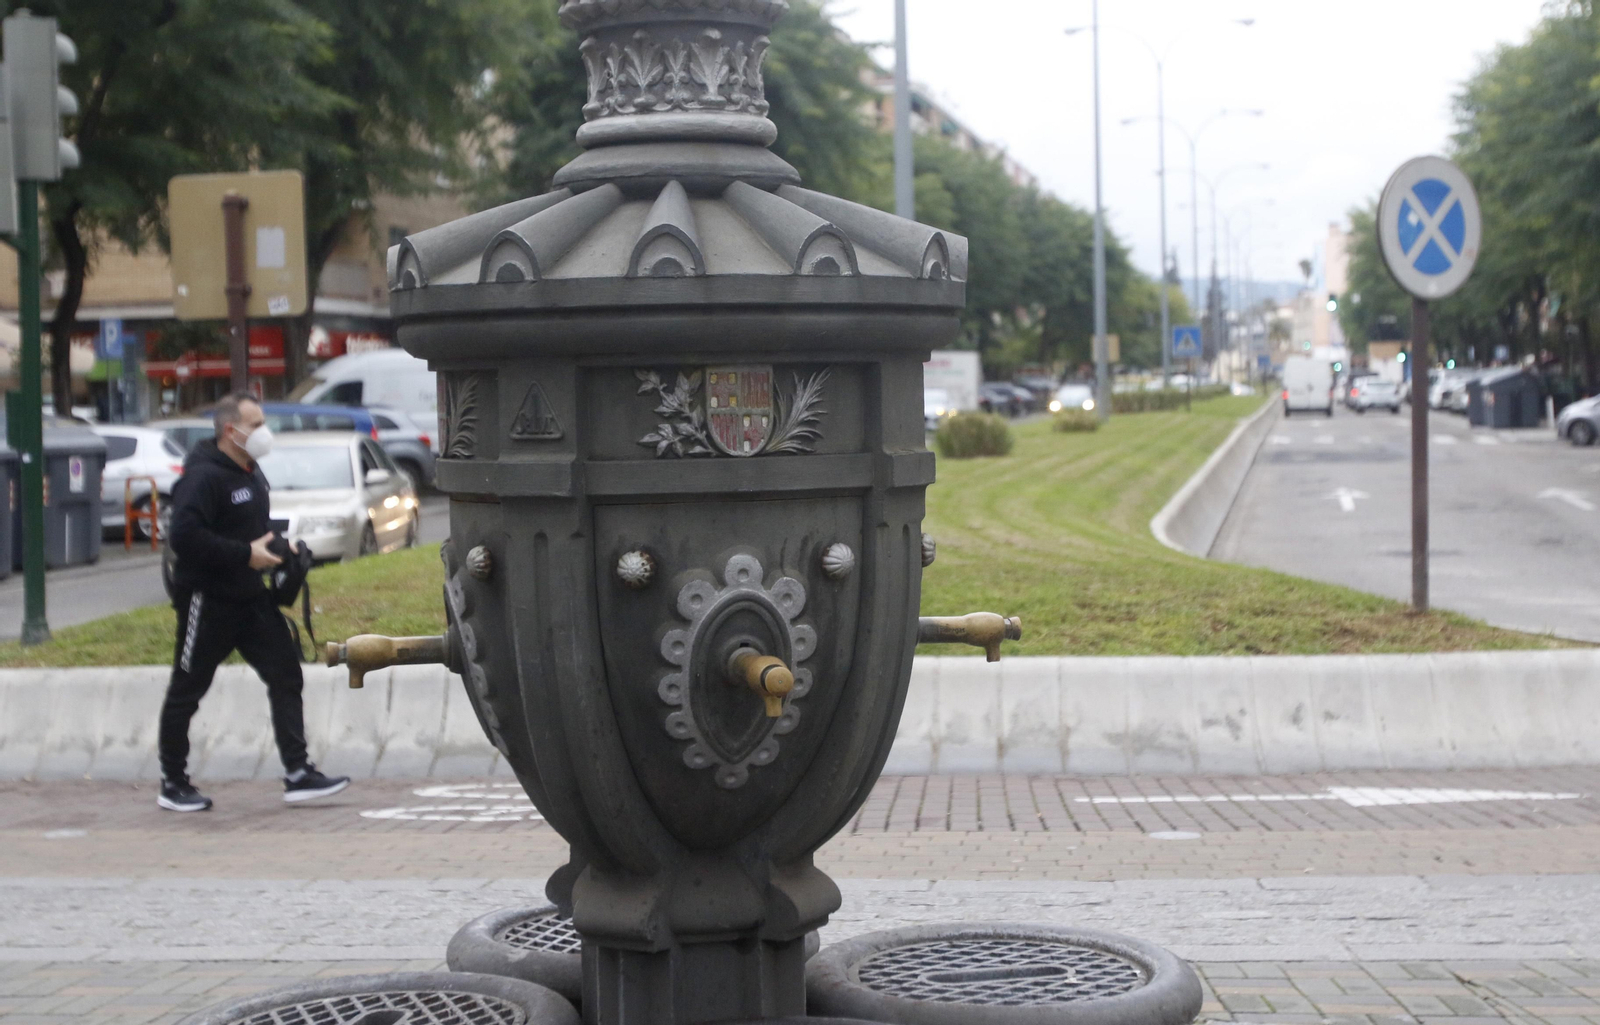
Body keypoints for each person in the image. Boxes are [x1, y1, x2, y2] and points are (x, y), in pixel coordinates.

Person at [156, 393, 350, 812]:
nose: (265, 432)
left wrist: (287, 551)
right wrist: (244, 555)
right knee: (187, 690)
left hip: (250, 600)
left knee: (285, 674)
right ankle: (173, 782)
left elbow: (255, 533)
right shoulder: (202, 478)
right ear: (231, 431)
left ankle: (298, 774)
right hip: (207, 603)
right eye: (256, 423)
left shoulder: (251, 473)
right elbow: (184, 538)